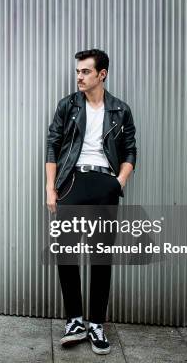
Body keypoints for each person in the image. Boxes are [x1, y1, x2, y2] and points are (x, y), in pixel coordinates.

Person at [45, 49, 137, 355]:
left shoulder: (120, 110)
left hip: (104, 184)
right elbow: (53, 143)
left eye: (85, 71)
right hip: (71, 182)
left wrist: (119, 181)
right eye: (78, 71)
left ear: (102, 74)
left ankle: (96, 324)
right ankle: (75, 320)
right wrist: (50, 187)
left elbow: (130, 150)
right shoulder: (68, 105)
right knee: (66, 253)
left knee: (100, 257)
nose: (79, 77)